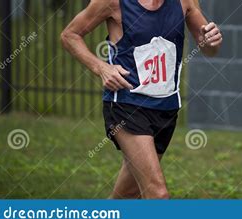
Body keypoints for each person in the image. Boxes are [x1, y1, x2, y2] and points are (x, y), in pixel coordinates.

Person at [61, 0, 222, 199]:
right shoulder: (113, 2)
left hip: (166, 108)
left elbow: (208, 48)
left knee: (127, 194)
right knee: (158, 194)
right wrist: (101, 67)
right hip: (127, 105)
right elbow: (70, 35)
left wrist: (211, 41)